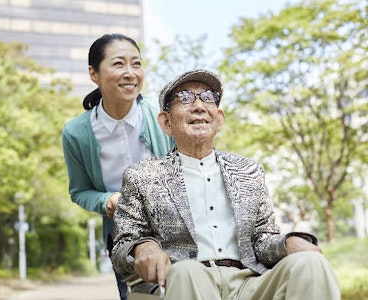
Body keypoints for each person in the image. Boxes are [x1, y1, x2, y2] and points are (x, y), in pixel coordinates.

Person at [111, 69, 341, 300]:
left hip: (249, 281)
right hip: (187, 279)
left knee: (311, 262)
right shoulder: (141, 175)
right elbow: (122, 246)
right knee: (186, 271)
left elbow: (262, 240)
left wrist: (287, 243)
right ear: (166, 122)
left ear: (219, 119)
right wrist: (143, 248)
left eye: (208, 97)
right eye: (185, 98)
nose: (199, 105)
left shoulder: (249, 171)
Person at [62, 33, 174, 300]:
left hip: (178, 233)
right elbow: (79, 191)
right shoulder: (77, 133)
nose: (130, 73)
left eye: (136, 64)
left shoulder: (163, 117)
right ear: (94, 74)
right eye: (118, 64)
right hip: (125, 242)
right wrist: (108, 200)